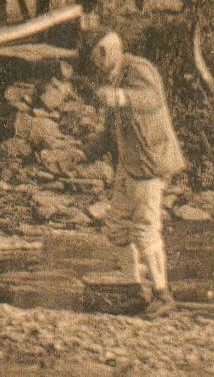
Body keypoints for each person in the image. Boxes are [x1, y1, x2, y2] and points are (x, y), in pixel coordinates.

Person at [77, 26, 187, 315]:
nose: (94, 71)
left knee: (145, 230)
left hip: (150, 163)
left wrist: (120, 97)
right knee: (117, 227)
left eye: (93, 63)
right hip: (128, 166)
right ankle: (135, 289)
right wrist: (84, 153)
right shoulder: (114, 78)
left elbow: (152, 99)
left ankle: (163, 295)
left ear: (103, 52)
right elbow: (110, 132)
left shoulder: (139, 69)